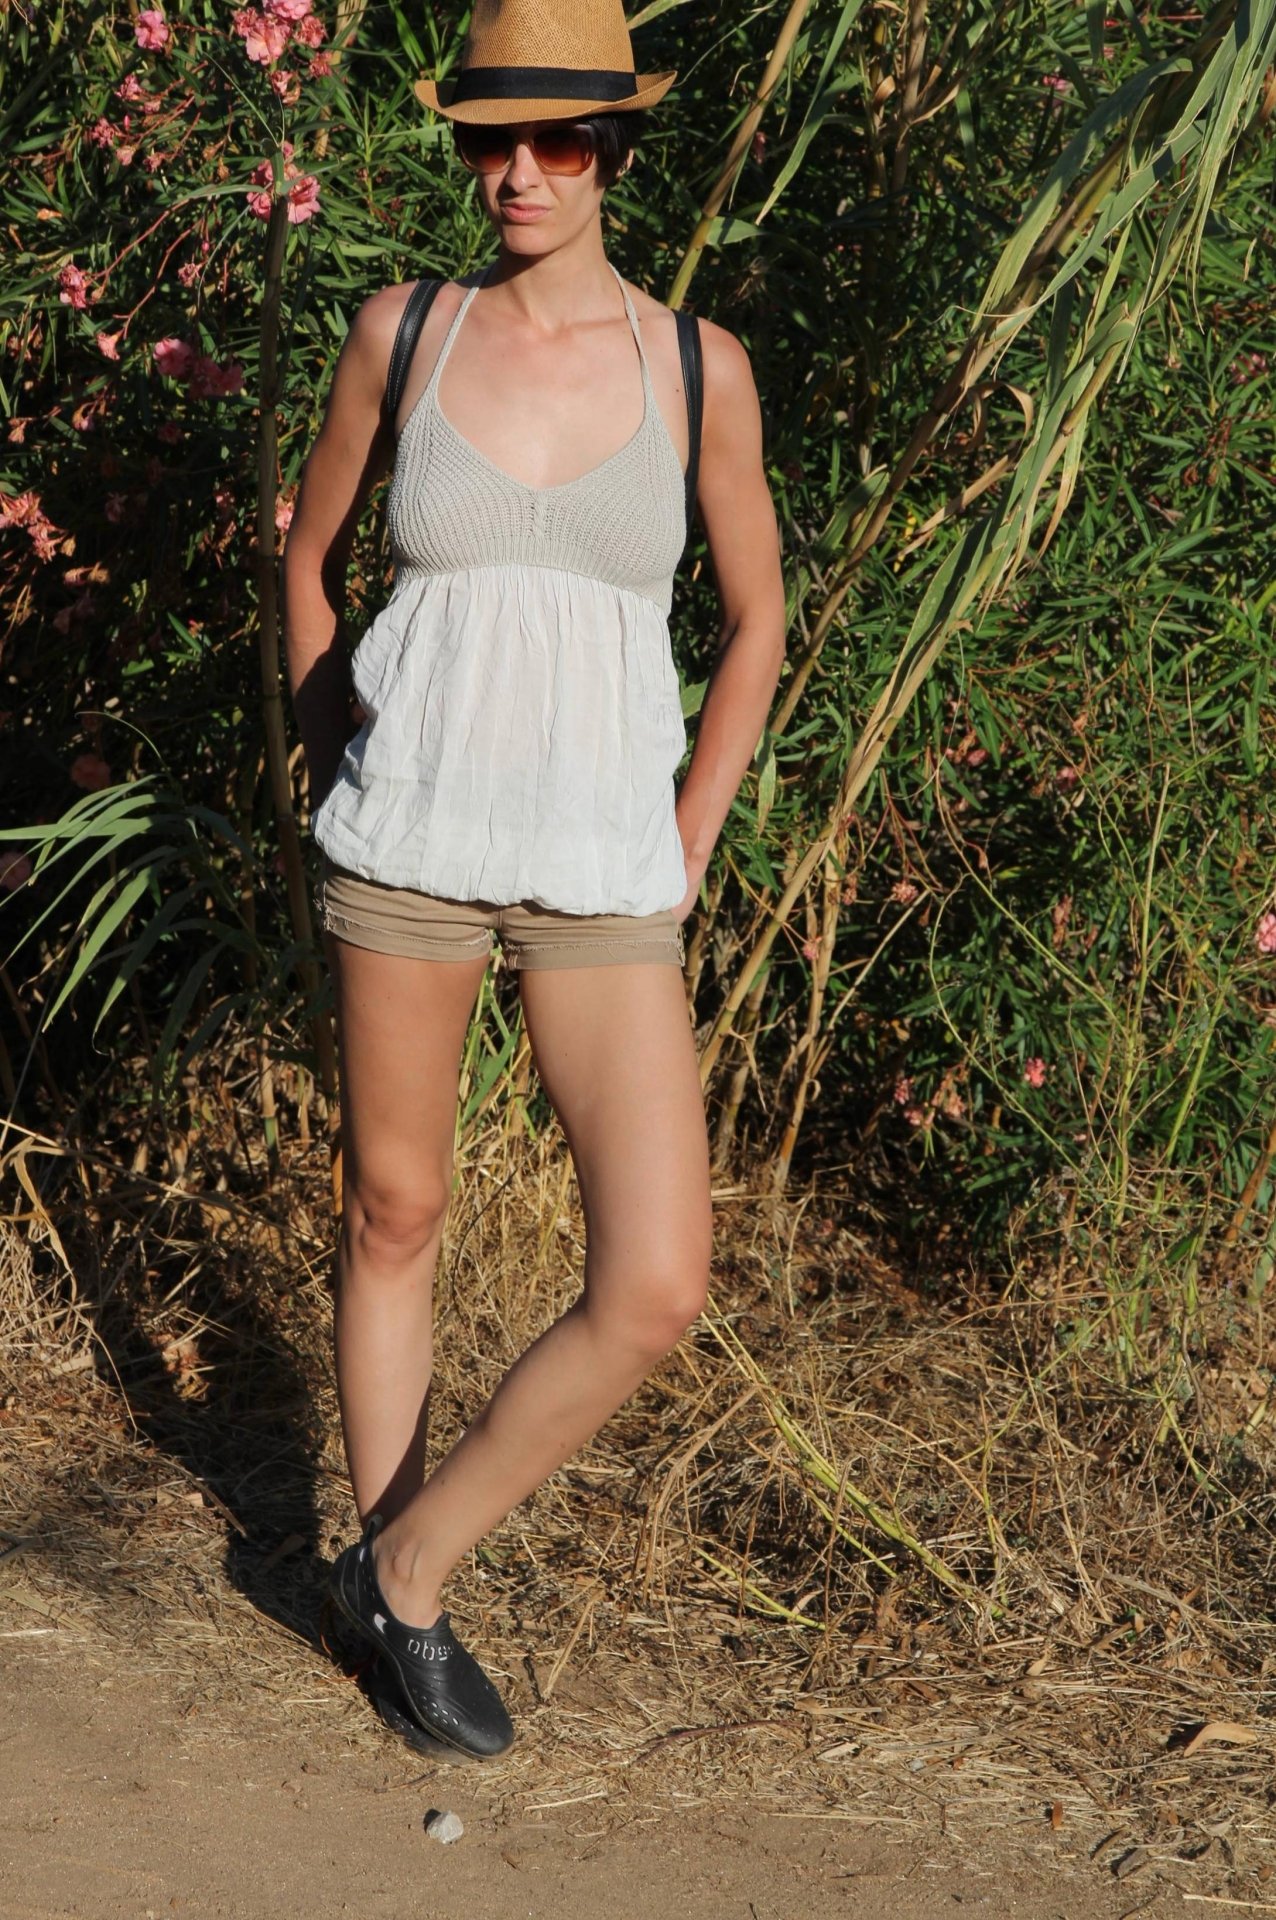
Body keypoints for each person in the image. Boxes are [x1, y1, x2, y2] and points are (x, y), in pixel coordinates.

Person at [282, 0, 786, 1759]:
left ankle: (401, 1566)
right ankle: (402, 1617)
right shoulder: (404, 333)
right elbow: (309, 555)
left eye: (557, 140)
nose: (519, 172)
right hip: (406, 847)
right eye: (492, 140)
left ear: (611, 152)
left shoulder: (697, 368)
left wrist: (690, 831)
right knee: (393, 1212)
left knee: (656, 1278)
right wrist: (328, 757)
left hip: (600, 874)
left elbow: (757, 618)